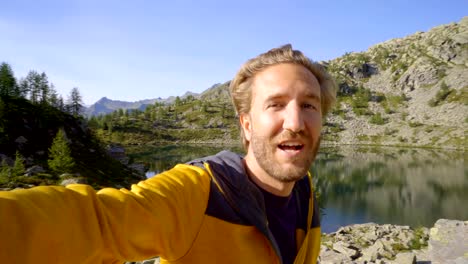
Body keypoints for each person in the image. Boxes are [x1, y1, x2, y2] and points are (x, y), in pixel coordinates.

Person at [0, 44, 337, 264]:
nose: (295, 122)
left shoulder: (303, 190)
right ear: (247, 125)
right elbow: (97, 221)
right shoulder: (198, 192)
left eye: (309, 105)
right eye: (276, 104)